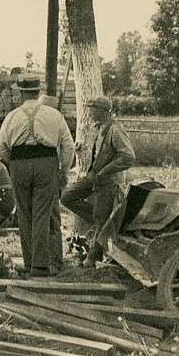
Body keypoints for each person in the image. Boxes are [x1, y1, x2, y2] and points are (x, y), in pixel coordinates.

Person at [0, 75, 74, 277]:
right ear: (39, 92)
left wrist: (13, 162)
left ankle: (30, 263)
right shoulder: (53, 114)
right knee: (42, 214)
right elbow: (68, 146)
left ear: (21, 93)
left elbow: (0, 148)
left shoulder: (12, 116)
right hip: (46, 163)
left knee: (24, 213)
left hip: (19, 163)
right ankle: (39, 265)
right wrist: (63, 170)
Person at [61, 96, 135, 268]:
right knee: (67, 198)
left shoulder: (115, 130)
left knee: (102, 220)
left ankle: (92, 260)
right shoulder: (100, 127)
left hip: (109, 181)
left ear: (102, 111)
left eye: (92, 109)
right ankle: (100, 220)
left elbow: (128, 156)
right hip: (94, 176)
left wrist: (105, 171)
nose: (89, 112)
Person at [38, 93, 67, 271]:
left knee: (46, 218)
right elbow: (68, 148)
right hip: (51, 172)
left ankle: (49, 260)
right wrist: (64, 172)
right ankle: (53, 260)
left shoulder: (35, 120)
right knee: (52, 219)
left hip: (43, 172)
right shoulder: (57, 120)